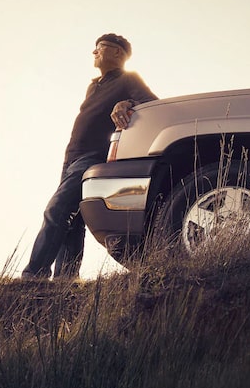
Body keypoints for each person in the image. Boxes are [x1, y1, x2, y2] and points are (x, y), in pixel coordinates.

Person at [20, 33, 157, 280]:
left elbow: (152, 103)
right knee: (73, 220)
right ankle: (65, 280)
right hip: (71, 158)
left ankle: (34, 274)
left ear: (117, 52)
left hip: (93, 157)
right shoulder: (93, 85)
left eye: (100, 48)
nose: (94, 52)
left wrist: (127, 102)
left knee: (57, 209)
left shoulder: (128, 78)